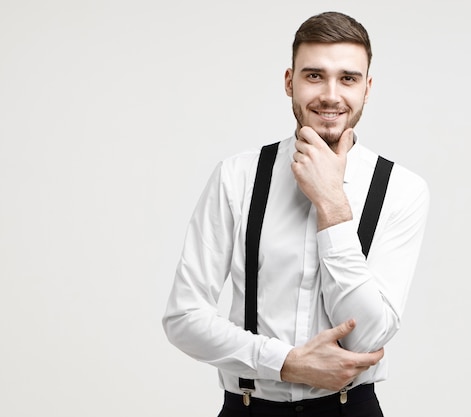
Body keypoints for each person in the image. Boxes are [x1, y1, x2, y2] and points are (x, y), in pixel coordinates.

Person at [163, 11, 429, 417]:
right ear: (290, 81)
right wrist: (285, 362)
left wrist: (332, 206)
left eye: (348, 78)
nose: (331, 95)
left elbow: (370, 335)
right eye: (314, 76)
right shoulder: (237, 176)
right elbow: (183, 317)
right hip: (251, 409)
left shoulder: (401, 189)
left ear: (367, 88)